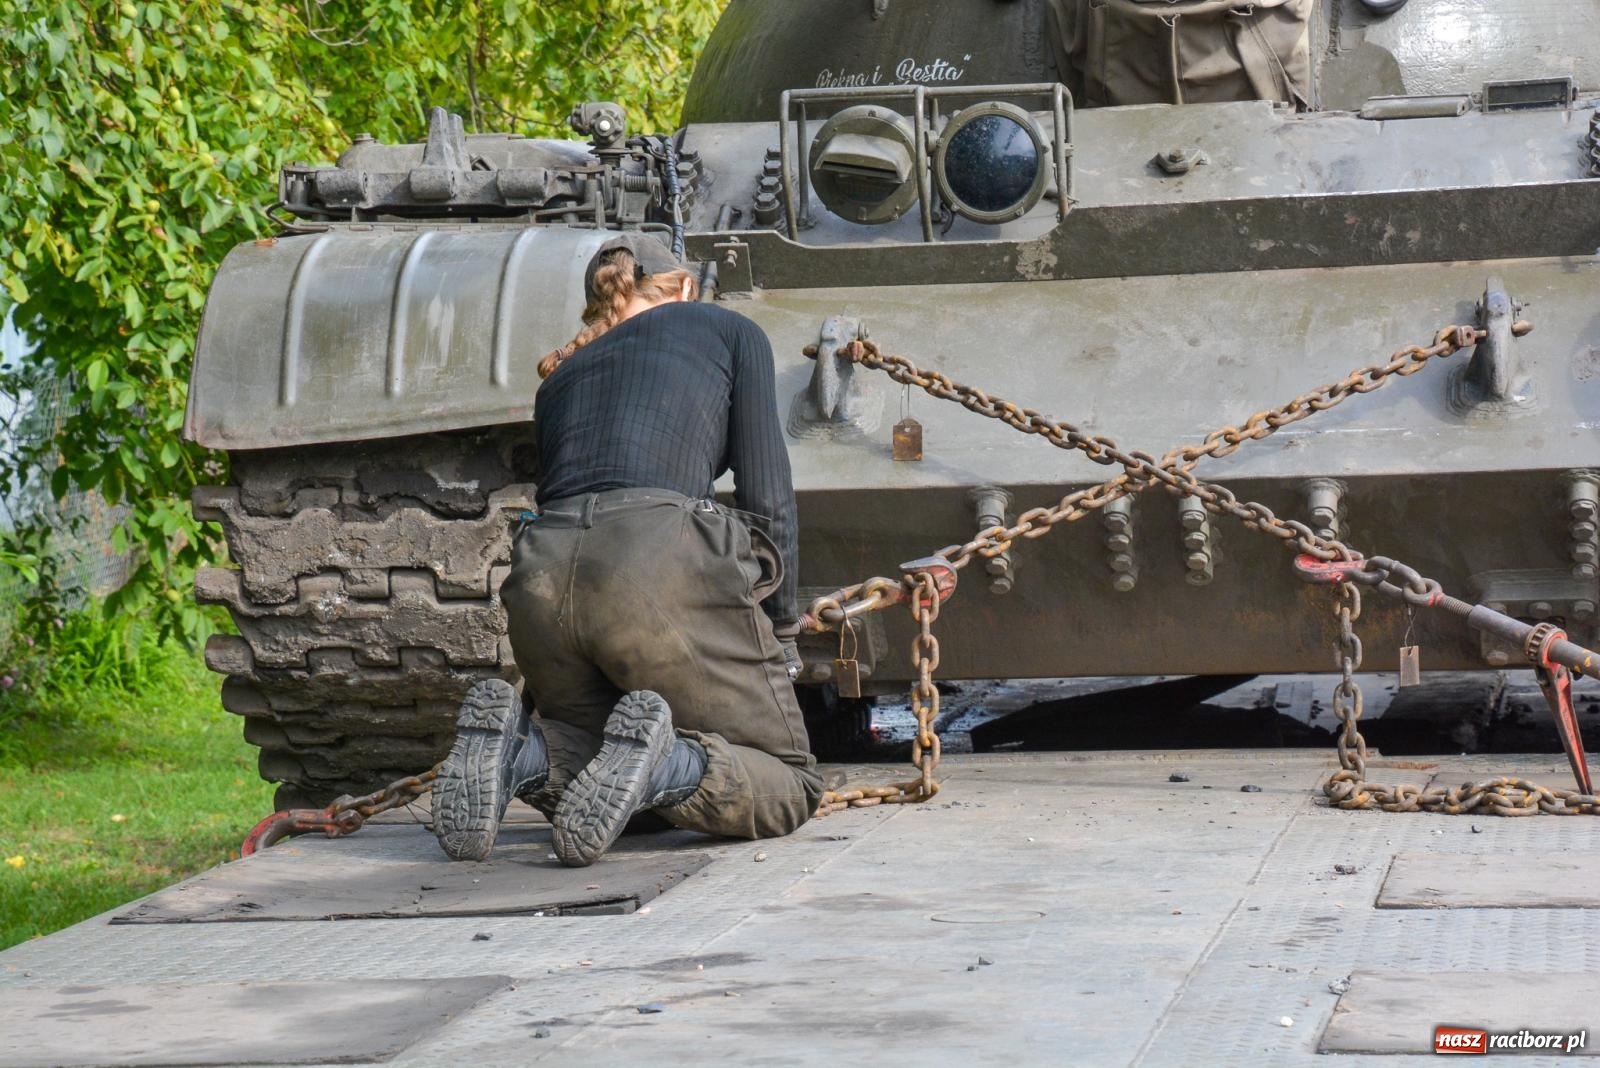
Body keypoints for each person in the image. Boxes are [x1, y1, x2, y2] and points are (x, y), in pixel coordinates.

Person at [431, 233, 824, 868]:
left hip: (541, 577)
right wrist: (781, 630)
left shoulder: (559, 377)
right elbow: (766, 496)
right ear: (686, 287)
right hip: (653, 565)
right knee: (789, 782)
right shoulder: (727, 331)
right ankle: (672, 760)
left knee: (608, 786)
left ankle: (522, 755)